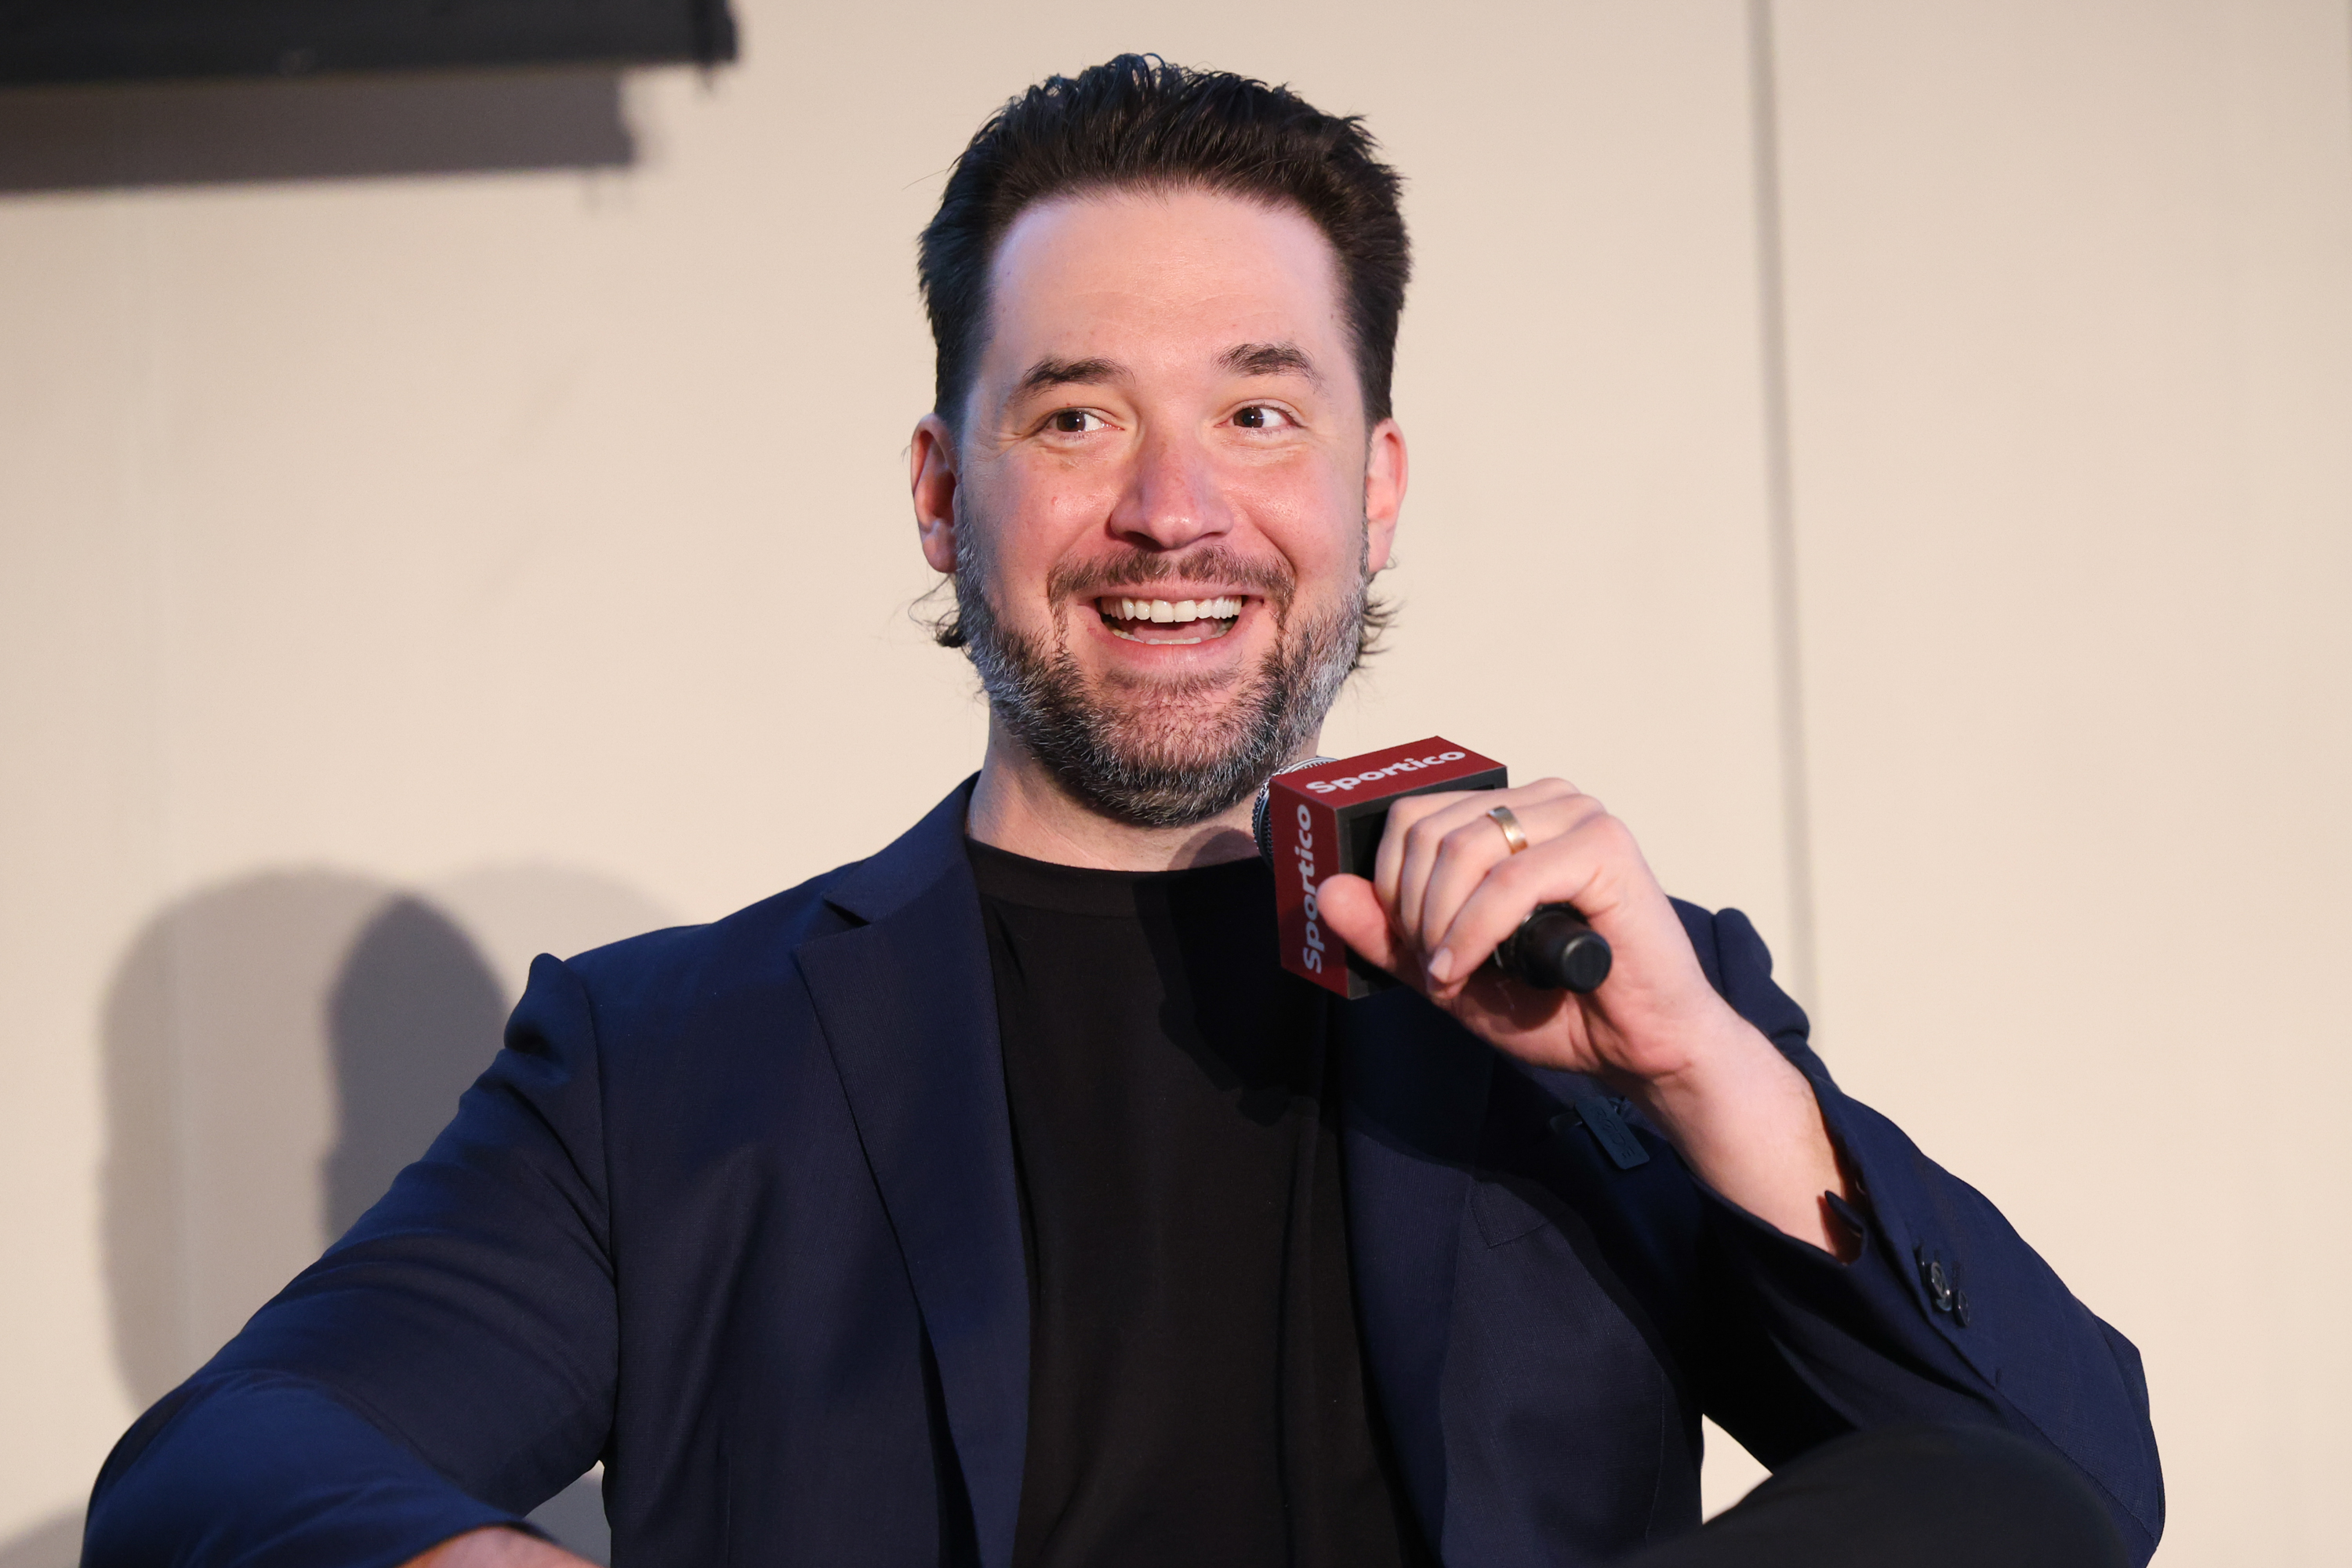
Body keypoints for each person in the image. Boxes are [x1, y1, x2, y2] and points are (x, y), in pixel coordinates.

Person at [84, 56, 2161, 1568]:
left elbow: (2052, 1495)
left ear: (1375, 488)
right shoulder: (662, 1064)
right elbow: (223, 1468)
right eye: (1078, 416)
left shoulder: (1606, 990)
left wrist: (1709, 1067)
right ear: (940, 490)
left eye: (1260, 414)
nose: (1174, 507)